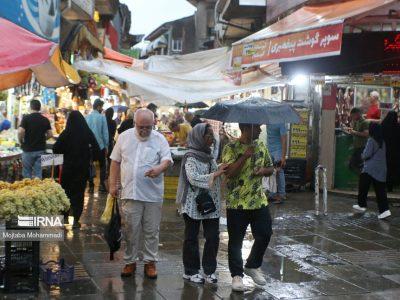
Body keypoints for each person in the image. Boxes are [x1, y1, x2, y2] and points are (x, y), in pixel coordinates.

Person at [109, 108, 173, 279]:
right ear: (134, 124)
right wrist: (112, 184)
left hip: (152, 195)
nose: (144, 131)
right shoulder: (124, 137)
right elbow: (115, 162)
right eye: (141, 127)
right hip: (130, 192)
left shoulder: (160, 139)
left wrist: (159, 168)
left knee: (152, 231)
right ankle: (130, 262)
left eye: (148, 127)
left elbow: (167, 160)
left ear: (154, 124)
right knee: (131, 230)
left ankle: (150, 262)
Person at [222, 123, 274, 291]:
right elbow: (229, 174)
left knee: (265, 233)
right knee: (236, 240)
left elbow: (271, 168)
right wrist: (244, 156)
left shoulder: (260, 145)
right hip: (237, 202)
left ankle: (252, 265)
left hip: (258, 200)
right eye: (256, 127)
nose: (259, 130)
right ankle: (237, 275)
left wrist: (263, 171)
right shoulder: (230, 147)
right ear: (246, 128)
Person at [176, 123, 227, 284]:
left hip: (210, 203)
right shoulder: (190, 156)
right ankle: (190, 271)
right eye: (209, 136)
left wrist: (220, 167)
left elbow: (210, 172)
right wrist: (216, 173)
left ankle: (210, 270)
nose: (212, 139)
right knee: (191, 237)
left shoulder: (209, 155)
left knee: (212, 237)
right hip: (193, 204)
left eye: (212, 136)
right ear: (199, 137)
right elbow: (193, 178)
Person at [53, 111, 100, 228]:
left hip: (68, 168)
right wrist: (90, 157)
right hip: (82, 169)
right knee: (79, 194)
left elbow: (56, 149)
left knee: (66, 192)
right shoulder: (87, 133)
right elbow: (97, 150)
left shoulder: (66, 133)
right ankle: (75, 221)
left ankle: (64, 217)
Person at [353, 123, 391, 219]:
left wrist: (362, 155)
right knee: (380, 190)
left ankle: (361, 205)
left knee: (363, 186)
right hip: (381, 169)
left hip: (370, 169)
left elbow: (366, 154)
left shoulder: (371, 140)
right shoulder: (383, 141)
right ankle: (385, 210)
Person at [18, 99, 52, 179]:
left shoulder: (26, 118)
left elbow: (20, 132)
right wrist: (43, 138)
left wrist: (21, 141)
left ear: (30, 107)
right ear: (39, 108)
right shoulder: (45, 119)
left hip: (28, 149)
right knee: (38, 173)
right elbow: (50, 134)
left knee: (27, 173)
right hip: (40, 149)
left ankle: (28, 191)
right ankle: (37, 191)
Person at [86, 99, 109, 192]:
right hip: (100, 146)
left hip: (90, 146)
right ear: (99, 107)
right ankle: (101, 185)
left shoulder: (87, 117)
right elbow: (105, 133)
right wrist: (106, 145)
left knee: (90, 165)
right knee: (102, 165)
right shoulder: (102, 117)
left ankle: (91, 186)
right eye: (101, 107)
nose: (102, 109)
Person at [266, 123, 287, 203]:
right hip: (269, 149)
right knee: (270, 171)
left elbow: (284, 139)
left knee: (280, 171)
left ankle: (282, 194)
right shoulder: (267, 120)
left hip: (278, 150)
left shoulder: (281, 123)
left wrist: (283, 156)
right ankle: (272, 194)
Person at [346, 108, 369, 174]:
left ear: (357, 114)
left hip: (362, 147)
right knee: (352, 165)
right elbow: (354, 131)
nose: (352, 118)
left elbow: (365, 134)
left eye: (353, 116)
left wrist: (353, 132)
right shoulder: (356, 122)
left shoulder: (364, 122)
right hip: (357, 147)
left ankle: (362, 177)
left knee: (356, 165)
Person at [382, 111, 400, 192]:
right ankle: (391, 186)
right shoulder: (398, 126)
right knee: (393, 168)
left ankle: (383, 185)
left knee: (385, 168)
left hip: (385, 150)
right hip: (396, 151)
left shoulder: (383, 125)